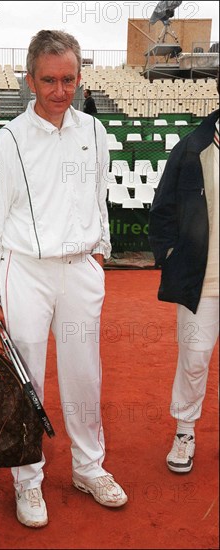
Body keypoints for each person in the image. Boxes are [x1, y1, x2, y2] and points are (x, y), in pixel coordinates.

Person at [0, 29, 127, 529]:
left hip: (81, 271)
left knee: (86, 375)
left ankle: (89, 467)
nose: (59, 90)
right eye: (48, 80)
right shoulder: (8, 141)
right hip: (26, 275)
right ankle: (28, 481)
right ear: (30, 80)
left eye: (68, 79)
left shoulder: (95, 132)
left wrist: (100, 250)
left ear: (80, 79)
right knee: (28, 382)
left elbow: (99, 195)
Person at [148, 77, 219, 475]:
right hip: (202, 278)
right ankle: (185, 431)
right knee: (194, 359)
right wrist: (171, 255)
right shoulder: (193, 146)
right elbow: (162, 208)